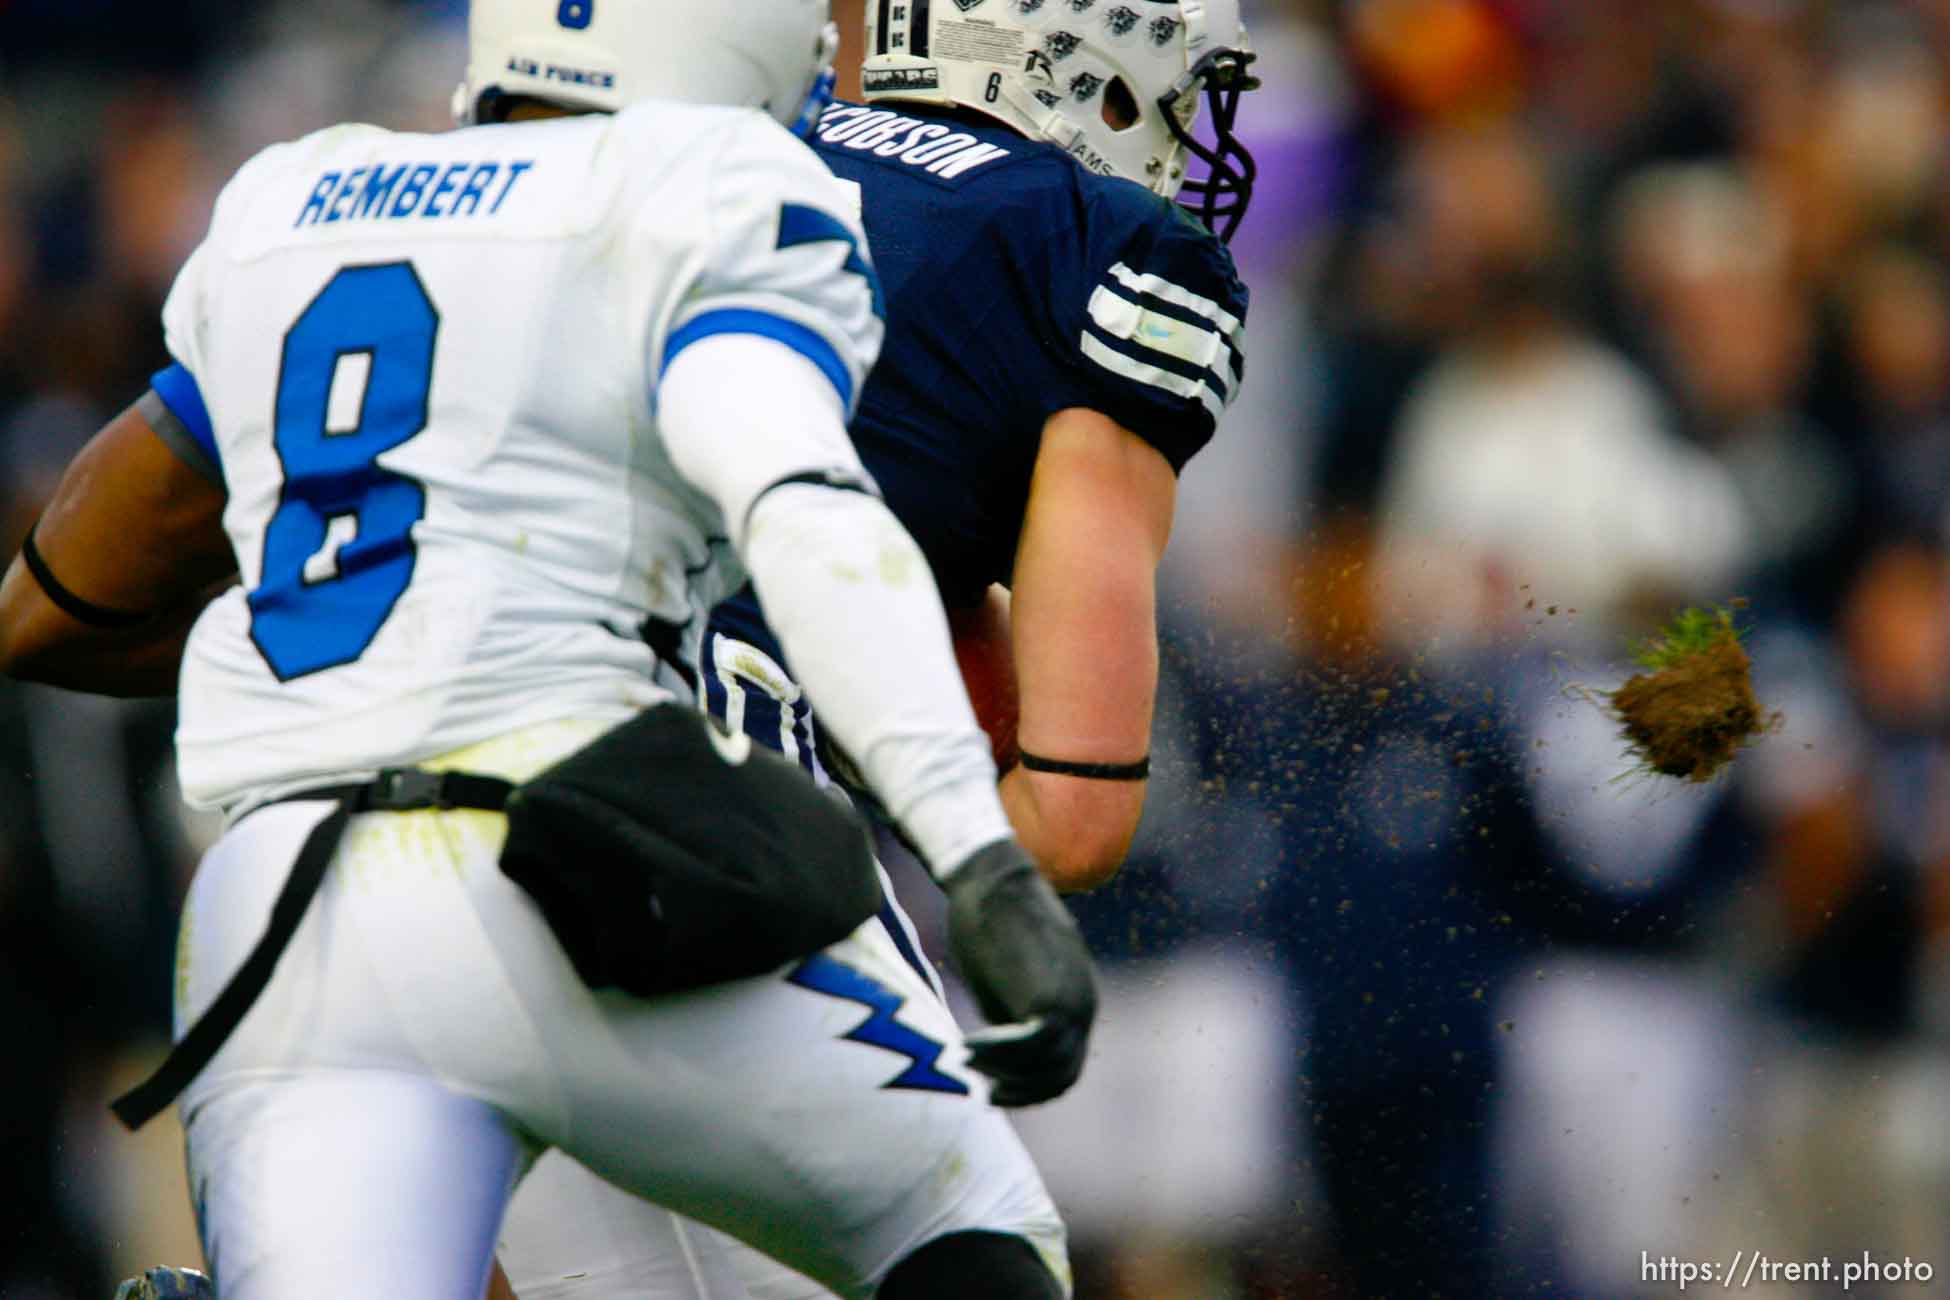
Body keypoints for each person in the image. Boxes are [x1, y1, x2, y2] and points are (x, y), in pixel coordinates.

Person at [0, 2, 1097, 1298]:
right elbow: (798, 503)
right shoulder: (709, 181)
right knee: (967, 1225)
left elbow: (57, 601)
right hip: (574, 853)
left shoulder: (295, 197)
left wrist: (350, 660)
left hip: (278, 914)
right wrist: (975, 854)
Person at [495, 2, 1259, 1296]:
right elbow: (1071, 820)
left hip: (382, 796)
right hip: (685, 854)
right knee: (983, 1260)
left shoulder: (705, 149)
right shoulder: (1090, 244)